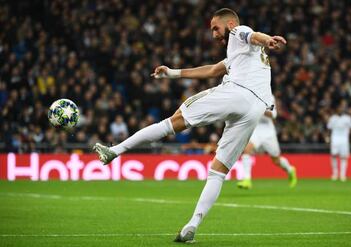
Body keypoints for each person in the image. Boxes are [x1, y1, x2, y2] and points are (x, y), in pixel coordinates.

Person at [93, 8, 286, 243]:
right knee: (218, 171)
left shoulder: (238, 32)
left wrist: (269, 39)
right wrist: (173, 73)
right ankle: (192, 225)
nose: (214, 33)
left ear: (230, 23)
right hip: (255, 109)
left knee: (173, 122)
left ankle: (115, 151)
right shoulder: (242, 54)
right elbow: (213, 70)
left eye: (216, 27)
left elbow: (254, 35)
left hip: (237, 93)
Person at [237, 96, 297, 189]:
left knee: (276, 160)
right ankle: (247, 180)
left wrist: (260, 108)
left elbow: (273, 114)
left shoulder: (268, 97)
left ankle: (290, 169)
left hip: (268, 132)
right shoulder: (250, 94)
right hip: (255, 129)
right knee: (247, 149)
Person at [327, 105, 351, 181]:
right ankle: (335, 174)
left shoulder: (348, 118)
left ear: (343, 110)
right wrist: (328, 138)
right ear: (336, 110)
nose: (340, 110)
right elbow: (329, 129)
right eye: (339, 108)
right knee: (333, 156)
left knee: (344, 157)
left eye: (341, 108)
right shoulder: (332, 118)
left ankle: (343, 175)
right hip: (334, 139)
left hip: (344, 139)